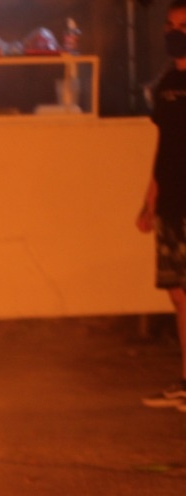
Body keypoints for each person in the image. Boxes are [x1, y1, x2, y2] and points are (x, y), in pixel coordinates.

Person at [138, 0, 186, 411]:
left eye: (183, 25)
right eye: (170, 26)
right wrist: (148, 201)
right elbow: (163, 146)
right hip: (170, 203)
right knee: (177, 293)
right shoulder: (167, 81)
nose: (175, 32)